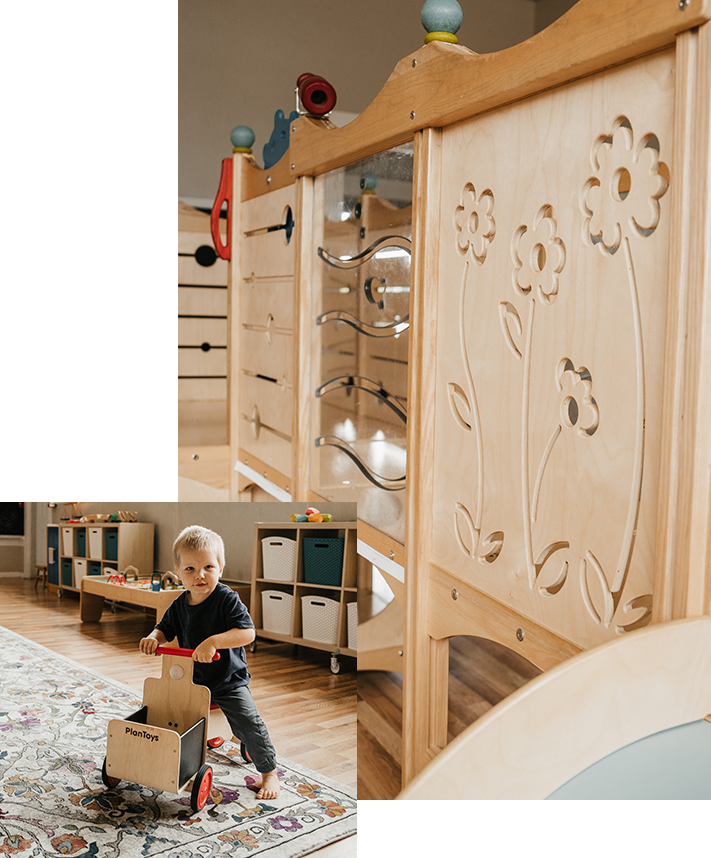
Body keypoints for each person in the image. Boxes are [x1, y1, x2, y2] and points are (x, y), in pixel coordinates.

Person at [139, 525, 280, 800]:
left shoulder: (226, 599)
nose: (199, 575)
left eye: (208, 567)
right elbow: (164, 629)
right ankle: (165, 756)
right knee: (165, 712)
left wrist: (214, 641)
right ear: (178, 573)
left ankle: (270, 773)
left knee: (248, 722)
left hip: (228, 681)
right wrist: (153, 637)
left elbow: (247, 632)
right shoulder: (180, 604)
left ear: (221, 568)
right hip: (192, 679)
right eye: (190, 569)